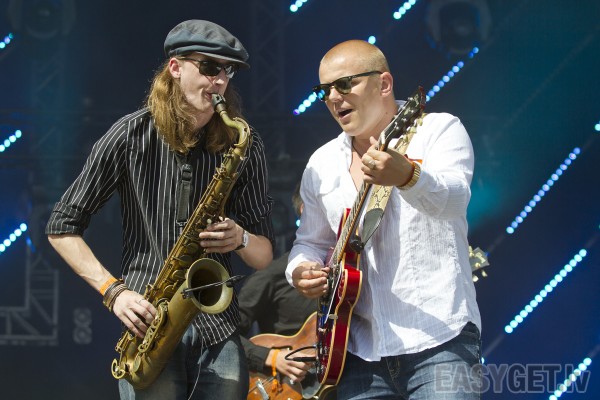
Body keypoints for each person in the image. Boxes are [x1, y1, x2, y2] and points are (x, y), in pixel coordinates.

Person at [45, 20, 274, 400]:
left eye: (228, 71)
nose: (220, 80)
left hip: (219, 330)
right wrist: (113, 292)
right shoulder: (129, 136)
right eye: (209, 67)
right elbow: (61, 227)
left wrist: (241, 238)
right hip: (149, 326)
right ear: (175, 67)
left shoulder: (244, 143)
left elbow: (264, 256)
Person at [286, 40, 482, 400]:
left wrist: (408, 176)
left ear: (384, 84)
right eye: (324, 90)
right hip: (357, 351)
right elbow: (310, 242)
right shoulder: (321, 163)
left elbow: (455, 201)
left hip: (439, 338)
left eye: (344, 84)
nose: (333, 97)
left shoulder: (437, 130)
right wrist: (300, 270)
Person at [238, 184, 316, 386]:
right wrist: (271, 358)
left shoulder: (355, 273)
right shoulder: (272, 274)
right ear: (306, 210)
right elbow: (226, 334)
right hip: (287, 388)